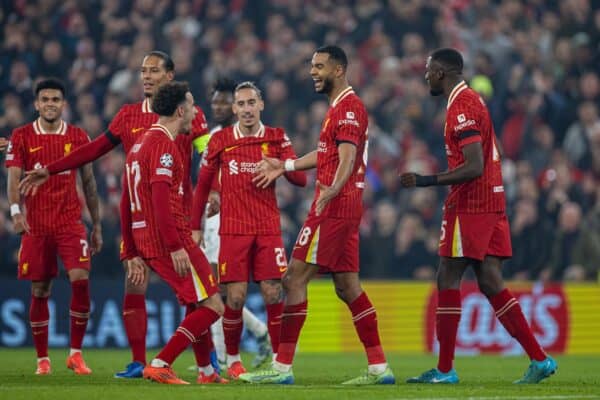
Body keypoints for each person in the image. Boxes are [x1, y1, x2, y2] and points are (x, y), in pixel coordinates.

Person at [19, 51, 210, 379]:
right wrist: (50, 170)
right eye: (142, 70)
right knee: (138, 285)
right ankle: (142, 362)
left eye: (153, 70)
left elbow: (207, 158)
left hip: (176, 217)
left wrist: (207, 205)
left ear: (169, 76)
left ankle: (204, 364)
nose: (146, 76)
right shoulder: (128, 116)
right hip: (139, 218)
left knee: (196, 294)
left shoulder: (191, 114)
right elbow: (92, 151)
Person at [399, 48, 557, 384]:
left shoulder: (462, 105)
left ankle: (444, 370)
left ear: (442, 71)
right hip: (491, 201)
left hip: (472, 205)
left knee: (447, 277)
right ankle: (540, 359)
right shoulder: (472, 101)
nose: (426, 75)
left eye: (428, 69)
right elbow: (491, 152)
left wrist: (427, 180)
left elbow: (474, 165)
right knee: (489, 281)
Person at [240, 45, 395, 385]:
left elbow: (347, 156)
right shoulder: (338, 108)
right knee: (348, 286)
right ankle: (379, 367)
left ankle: (281, 368)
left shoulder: (349, 108)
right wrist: (286, 165)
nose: (313, 71)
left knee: (293, 279)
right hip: (342, 205)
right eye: (312, 65)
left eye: (320, 66)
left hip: (333, 207)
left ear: (339, 70)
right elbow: (328, 153)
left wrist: (332, 190)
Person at [192, 81, 307, 379]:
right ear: (234, 109)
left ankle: (280, 365)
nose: (246, 109)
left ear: (261, 105)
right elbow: (203, 185)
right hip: (233, 230)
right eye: (240, 104)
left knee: (272, 293)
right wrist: (195, 227)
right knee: (236, 297)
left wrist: (282, 166)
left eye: (251, 103)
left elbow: (301, 182)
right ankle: (233, 360)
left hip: (268, 228)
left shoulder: (277, 137)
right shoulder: (220, 141)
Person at [123, 81, 223, 385]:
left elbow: (125, 202)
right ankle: (161, 362)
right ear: (180, 109)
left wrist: (130, 249)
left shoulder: (140, 144)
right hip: (170, 239)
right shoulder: (164, 146)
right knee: (214, 305)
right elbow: (161, 202)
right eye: (192, 105)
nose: (195, 113)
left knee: (196, 302)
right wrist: (176, 246)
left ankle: (207, 371)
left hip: (148, 239)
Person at [5, 78, 102, 375]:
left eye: (55, 99)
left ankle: (75, 354)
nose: (50, 104)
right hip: (36, 225)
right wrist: (16, 212)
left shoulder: (78, 135)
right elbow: (13, 178)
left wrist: (96, 223)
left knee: (80, 279)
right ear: (36, 104)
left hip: (70, 222)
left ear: (63, 104)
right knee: (40, 290)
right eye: (45, 99)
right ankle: (42, 360)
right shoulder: (21, 136)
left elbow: (88, 181)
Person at [190, 77, 273, 373]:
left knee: (218, 289)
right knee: (217, 289)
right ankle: (242, 343)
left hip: (236, 218)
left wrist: (222, 195)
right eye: (216, 102)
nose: (219, 106)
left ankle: (227, 355)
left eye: (226, 101)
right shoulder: (212, 136)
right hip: (213, 219)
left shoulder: (251, 136)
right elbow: (205, 174)